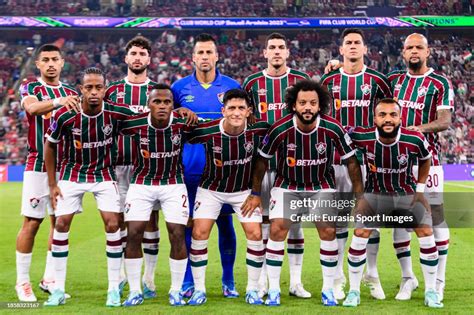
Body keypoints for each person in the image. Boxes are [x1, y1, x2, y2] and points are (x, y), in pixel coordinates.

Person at [242, 80, 364, 306]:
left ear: (320, 106)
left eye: (312, 103)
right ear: (294, 105)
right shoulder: (280, 128)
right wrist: (256, 193)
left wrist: (361, 197)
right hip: (287, 185)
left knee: (328, 230)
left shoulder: (333, 127)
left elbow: (352, 163)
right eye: (303, 103)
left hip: (320, 186)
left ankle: (328, 289)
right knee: (277, 229)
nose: (307, 107)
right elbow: (261, 161)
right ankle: (275, 289)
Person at [43, 67, 135, 307]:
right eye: (89, 87)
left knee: (113, 223)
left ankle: (114, 288)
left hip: (104, 174)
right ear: (81, 89)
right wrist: (52, 183)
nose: (94, 92)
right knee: (61, 224)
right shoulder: (65, 115)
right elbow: (49, 145)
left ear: (105, 89)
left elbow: (146, 119)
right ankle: (58, 289)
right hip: (72, 174)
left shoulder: (116, 113)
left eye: (99, 87)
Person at [343, 98, 443, 309]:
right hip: (374, 196)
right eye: (382, 115)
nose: (388, 119)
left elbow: (426, 159)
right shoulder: (362, 135)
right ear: (375, 118)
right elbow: (347, 152)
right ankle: (353, 291)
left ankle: (432, 291)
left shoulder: (413, 138)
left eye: (392, 115)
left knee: (426, 233)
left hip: (406, 195)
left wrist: (420, 190)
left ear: (400, 117)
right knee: (360, 234)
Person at [320, 28, 392, 300]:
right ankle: (337, 276)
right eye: (348, 43)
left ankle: (371, 274)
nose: (352, 46)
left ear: (365, 49)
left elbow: (388, 115)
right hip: (335, 160)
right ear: (340, 50)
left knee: (368, 221)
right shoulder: (328, 79)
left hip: (368, 160)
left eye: (357, 43)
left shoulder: (377, 80)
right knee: (338, 221)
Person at [171, 33, 241, 298]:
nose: (204, 57)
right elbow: (169, 120)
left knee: (225, 224)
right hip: (189, 169)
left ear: (217, 56)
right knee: (190, 225)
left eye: (209, 52)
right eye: (200, 53)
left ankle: (228, 280)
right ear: (193, 57)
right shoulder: (179, 89)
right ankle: (188, 280)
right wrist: (178, 112)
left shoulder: (232, 85)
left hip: (224, 170)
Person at [243, 32, 311, 298]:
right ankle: (260, 281)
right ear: (265, 53)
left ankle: (295, 282)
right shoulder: (251, 82)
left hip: (291, 164)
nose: (277, 52)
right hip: (261, 162)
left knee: (292, 225)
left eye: (281, 47)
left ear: (287, 52)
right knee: (263, 224)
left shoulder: (300, 81)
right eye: (272, 47)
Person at [186, 89, 268, 306]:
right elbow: (178, 135)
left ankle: (252, 289)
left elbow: (262, 162)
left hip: (243, 192)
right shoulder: (207, 130)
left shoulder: (258, 130)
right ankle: (199, 290)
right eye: (231, 108)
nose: (236, 112)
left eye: (241, 108)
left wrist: (256, 193)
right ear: (223, 111)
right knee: (199, 232)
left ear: (249, 111)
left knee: (255, 233)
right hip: (210, 190)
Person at [388, 33, 453, 302]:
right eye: (409, 47)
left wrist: (416, 130)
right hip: (395, 162)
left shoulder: (439, 82)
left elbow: (445, 120)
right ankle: (408, 278)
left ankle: (438, 280)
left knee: (434, 217)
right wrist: (336, 63)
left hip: (429, 161)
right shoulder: (393, 81)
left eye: (419, 47)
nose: (414, 51)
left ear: (428, 52)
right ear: (403, 53)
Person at [119, 84, 197, 307]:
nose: (162, 106)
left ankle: (175, 290)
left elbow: (207, 131)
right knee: (133, 233)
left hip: (173, 183)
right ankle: (135, 291)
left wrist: (189, 113)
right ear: (148, 105)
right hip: (142, 183)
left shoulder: (183, 124)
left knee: (177, 233)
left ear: (174, 105)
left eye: (167, 102)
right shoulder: (135, 123)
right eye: (157, 102)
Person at [16, 44, 80, 302]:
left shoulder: (72, 92)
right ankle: (22, 283)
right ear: (38, 64)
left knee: (60, 224)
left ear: (62, 62)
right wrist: (57, 102)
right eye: (46, 60)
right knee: (32, 222)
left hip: (65, 168)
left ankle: (50, 278)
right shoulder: (30, 86)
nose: (51, 63)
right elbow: (31, 109)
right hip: (38, 165)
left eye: (55, 59)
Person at [105, 35, 160, 299]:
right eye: (133, 53)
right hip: (116, 167)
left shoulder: (159, 92)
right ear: (126, 58)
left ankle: (148, 278)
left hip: (147, 169)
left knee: (148, 221)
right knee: (116, 222)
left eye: (142, 54)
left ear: (149, 59)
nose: (138, 58)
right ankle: (119, 277)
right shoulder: (112, 91)